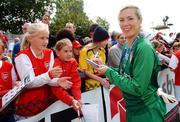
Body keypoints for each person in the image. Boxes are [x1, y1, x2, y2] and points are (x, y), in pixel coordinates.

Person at [94, 5, 166, 122]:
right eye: (121, 20)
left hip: (146, 111)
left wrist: (109, 72)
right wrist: (106, 68)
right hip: (132, 109)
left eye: (130, 18)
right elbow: (124, 72)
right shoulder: (127, 45)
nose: (125, 23)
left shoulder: (144, 48)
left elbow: (137, 88)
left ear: (140, 21)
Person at [14, 23, 72, 119]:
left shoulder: (49, 53)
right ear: (30, 39)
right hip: (26, 108)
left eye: (47, 38)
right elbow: (30, 83)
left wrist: (57, 81)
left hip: (44, 105)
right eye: (42, 38)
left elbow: (49, 79)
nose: (45, 41)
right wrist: (49, 75)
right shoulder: (22, 56)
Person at [51, 38, 82, 112]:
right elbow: (56, 88)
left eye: (70, 51)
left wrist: (78, 98)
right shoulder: (55, 64)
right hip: (55, 100)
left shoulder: (73, 62)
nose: (69, 54)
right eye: (65, 51)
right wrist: (71, 100)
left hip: (69, 97)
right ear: (58, 53)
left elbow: (76, 81)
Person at [79, 26, 109, 91]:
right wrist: (100, 79)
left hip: (100, 84)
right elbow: (84, 71)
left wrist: (107, 77)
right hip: (88, 86)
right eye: (106, 40)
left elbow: (102, 68)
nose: (107, 42)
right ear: (99, 40)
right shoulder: (85, 51)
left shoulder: (102, 51)